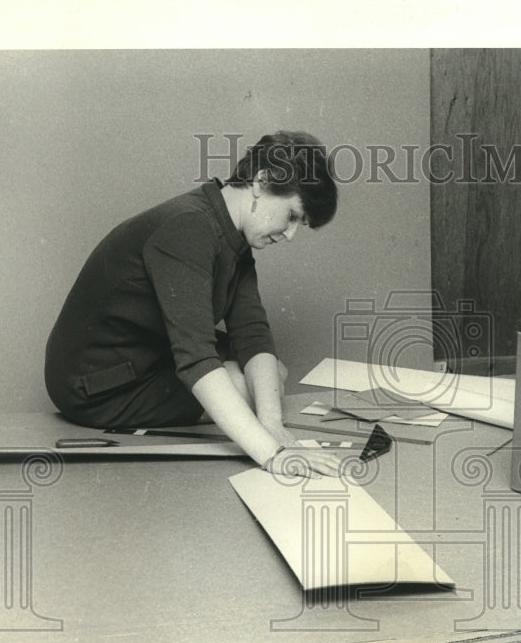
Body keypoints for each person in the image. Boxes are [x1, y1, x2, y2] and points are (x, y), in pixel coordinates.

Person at [45, 130, 343, 477]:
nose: (291, 235)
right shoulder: (188, 226)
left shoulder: (234, 236)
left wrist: (273, 425)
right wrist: (273, 454)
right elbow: (197, 358)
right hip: (96, 384)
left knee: (270, 376)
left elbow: (253, 333)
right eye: (292, 216)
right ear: (262, 181)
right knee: (248, 385)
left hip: (148, 353)